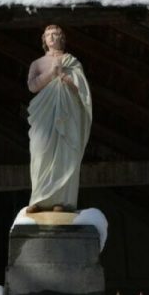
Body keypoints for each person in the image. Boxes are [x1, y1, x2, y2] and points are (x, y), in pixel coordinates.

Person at [26, 24, 92, 213]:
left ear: (62, 38)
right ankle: (38, 198)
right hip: (44, 116)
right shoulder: (37, 63)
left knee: (64, 156)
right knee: (40, 153)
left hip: (66, 114)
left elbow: (80, 90)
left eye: (56, 34)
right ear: (44, 40)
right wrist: (51, 74)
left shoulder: (71, 61)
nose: (53, 37)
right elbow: (32, 86)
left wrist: (63, 76)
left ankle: (60, 201)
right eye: (49, 35)